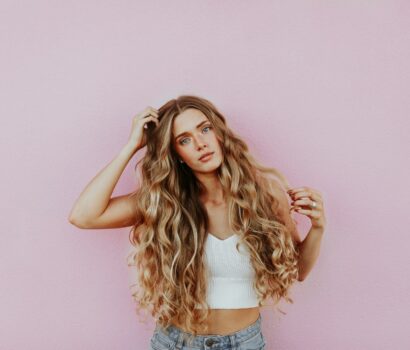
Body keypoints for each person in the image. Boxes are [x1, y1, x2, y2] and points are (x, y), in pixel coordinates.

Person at [68, 95, 326, 349]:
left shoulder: (265, 194)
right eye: (185, 140)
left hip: (244, 343)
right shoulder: (164, 203)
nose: (201, 144)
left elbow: (298, 271)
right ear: (175, 153)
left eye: (205, 129)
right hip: (175, 343)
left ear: (219, 133)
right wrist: (132, 146)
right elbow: (84, 216)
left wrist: (318, 228)